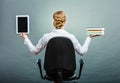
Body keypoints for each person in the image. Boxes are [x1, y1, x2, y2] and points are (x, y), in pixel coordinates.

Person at [20, 11, 99, 83]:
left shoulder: (46, 37)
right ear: (65, 22)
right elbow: (82, 52)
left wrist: (25, 38)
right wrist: (89, 38)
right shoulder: (71, 37)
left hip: (50, 72)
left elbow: (34, 51)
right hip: (69, 72)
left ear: (53, 21)